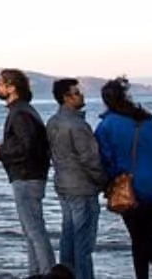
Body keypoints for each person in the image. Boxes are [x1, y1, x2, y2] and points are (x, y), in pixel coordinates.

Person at [95, 76, 152, 279]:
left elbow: (105, 159)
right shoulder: (146, 123)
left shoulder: (107, 126)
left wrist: (108, 182)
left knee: (138, 239)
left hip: (131, 188)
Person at [0, 68, 54, 275]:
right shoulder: (24, 110)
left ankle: (48, 272)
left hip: (26, 177)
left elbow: (26, 147)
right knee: (30, 231)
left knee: (34, 230)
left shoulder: (20, 113)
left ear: (11, 88)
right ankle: (36, 273)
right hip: (28, 176)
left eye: (0, 83)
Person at [47, 78, 106, 279]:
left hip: (63, 186)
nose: (81, 95)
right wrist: (103, 181)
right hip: (82, 188)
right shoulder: (78, 126)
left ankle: (65, 276)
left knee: (68, 239)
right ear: (66, 97)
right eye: (77, 92)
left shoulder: (53, 123)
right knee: (83, 244)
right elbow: (90, 159)